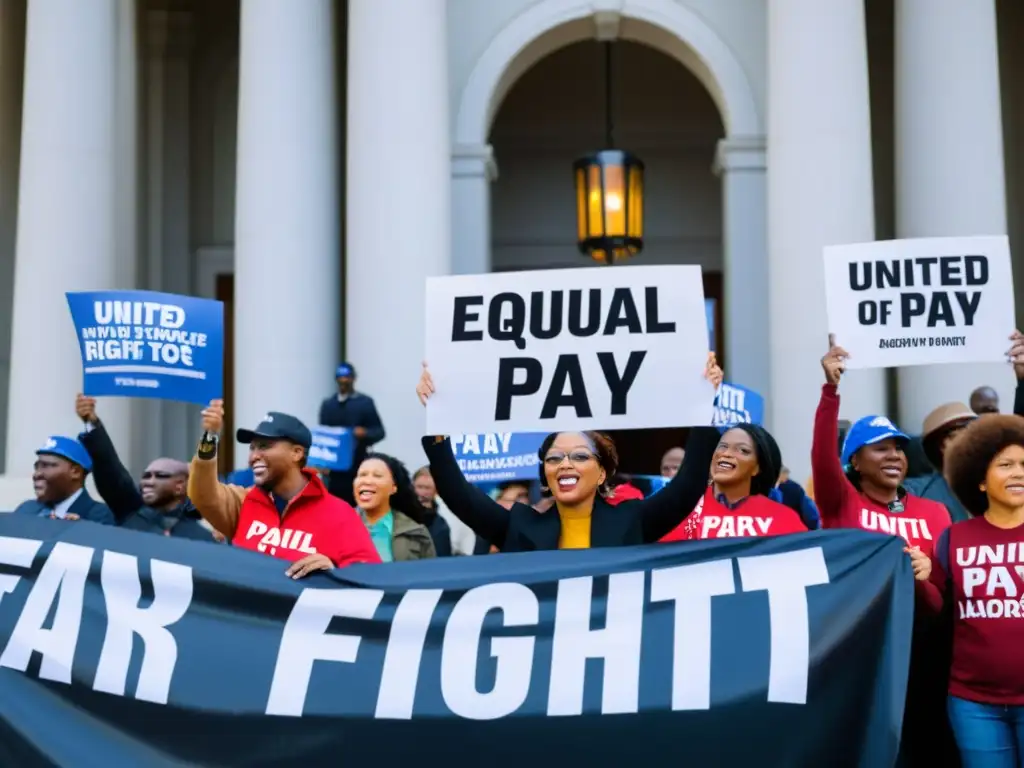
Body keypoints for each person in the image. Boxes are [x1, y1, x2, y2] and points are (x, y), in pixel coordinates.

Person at [415, 353, 724, 552]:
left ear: (602, 472)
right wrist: (438, 420)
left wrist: (702, 403)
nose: (565, 464)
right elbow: (460, 496)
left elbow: (687, 487)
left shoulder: (633, 519)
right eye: (554, 458)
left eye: (579, 456)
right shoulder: (519, 526)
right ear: (546, 476)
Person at [919, 415, 1024, 766]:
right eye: (1005, 465)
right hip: (972, 703)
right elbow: (937, 609)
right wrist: (922, 577)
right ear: (979, 480)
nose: (1018, 473)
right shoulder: (953, 538)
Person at [187, 400, 381, 578]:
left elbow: (369, 577)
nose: (254, 456)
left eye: (264, 446)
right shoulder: (243, 501)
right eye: (252, 448)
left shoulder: (340, 514)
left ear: (296, 453)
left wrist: (334, 570)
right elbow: (202, 493)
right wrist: (211, 437)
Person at [814, 336, 952, 555]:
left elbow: (943, 586)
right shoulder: (843, 505)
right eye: (880, 448)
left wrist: (921, 579)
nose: (894, 455)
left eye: (898, 448)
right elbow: (823, 460)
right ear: (855, 461)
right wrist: (831, 389)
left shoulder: (935, 512)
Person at [74, 395, 215, 541]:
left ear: (180, 485)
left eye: (160, 475)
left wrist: (212, 433)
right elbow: (110, 469)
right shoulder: (130, 514)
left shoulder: (203, 538)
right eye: (146, 476)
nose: (148, 481)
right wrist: (91, 422)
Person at [661, 424, 808, 541]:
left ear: (757, 468)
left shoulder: (783, 519)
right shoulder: (682, 511)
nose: (727, 454)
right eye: (722, 446)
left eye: (743, 450)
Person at [319, 363, 385, 506]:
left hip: (357, 465)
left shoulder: (364, 403)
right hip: (334, 469)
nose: (343, 382)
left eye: (347, 378)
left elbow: (379, 432)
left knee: (358, 505)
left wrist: (364, 433)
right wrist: (322, 462)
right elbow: (324, 436)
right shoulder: (328, 404)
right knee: (334, 506)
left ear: (353, 379)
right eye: (340, 379)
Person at [354, 453, 436, 562]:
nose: (367, 481)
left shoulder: (415, 532)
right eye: (362, 475)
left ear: (393, 487)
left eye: (377, 475)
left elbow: (430, 574)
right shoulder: (336, 526)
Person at [13, 436, 114, 524]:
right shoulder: (26, 510)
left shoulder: (100, 517)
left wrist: (80, 530)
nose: (36, 474)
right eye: (37, 467)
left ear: (75, 472)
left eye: (46, 466)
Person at [413, 466, 476, 555]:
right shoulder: (403, 512)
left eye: (427, 488)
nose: (422, 493)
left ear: (436, 490)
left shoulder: (449, 514)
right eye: (419, 487)